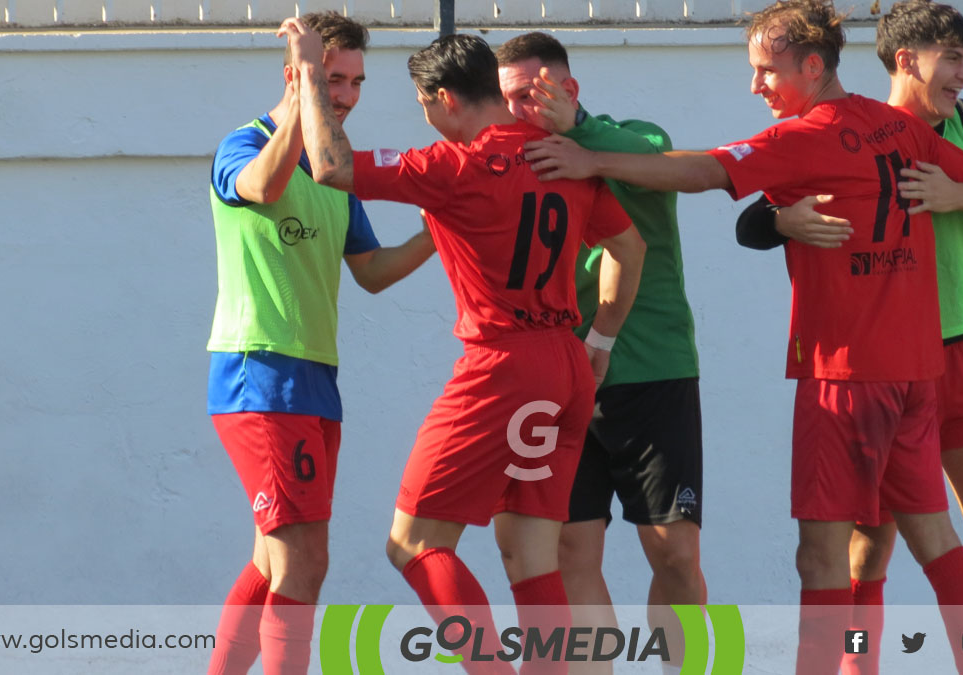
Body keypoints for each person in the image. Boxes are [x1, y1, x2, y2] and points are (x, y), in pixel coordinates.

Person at [523, 1, 963, 672]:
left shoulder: (804, 137)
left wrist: (587, 159)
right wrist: (789, 220)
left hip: (845, 378)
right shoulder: (895, 124)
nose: (756, 86)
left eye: (765, 70)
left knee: (822, 557)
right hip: (916, 374)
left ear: (812, 66)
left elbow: (702, 171)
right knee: (935, 537)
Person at [279, 20, 646, 674]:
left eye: (426, 109)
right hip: (565, 363)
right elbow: (628, 247)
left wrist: (308, 73)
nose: (427, 122)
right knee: (530, 554)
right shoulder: (554, 153)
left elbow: (330, 165)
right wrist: (603, 335)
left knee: (412, 542)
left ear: (446, 99)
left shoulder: (455, 164)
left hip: (502, 365)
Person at [735, 2, 963, 673]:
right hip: (880, 370)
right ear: (906, 60)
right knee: (868, 551)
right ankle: (859, 664)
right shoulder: (847, 128)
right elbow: (751, 220)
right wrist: (782, 224)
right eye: (954, 58)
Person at [205, 12, 436, 675]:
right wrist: (305, 89)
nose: (346, 96)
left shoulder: (336, 174)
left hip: (315, 383)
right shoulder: (242, 146)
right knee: (305, 560)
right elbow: (262, 187)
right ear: (297, 74)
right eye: (332, 79)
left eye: (356, 83)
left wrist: (439, 228)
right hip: (259, 374)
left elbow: (372, 272)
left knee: (272, 561)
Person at [496, 32, 704, 675]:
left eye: (532, 94)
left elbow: (660, 156)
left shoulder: (630, 138)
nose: (520, 111)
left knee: (674, 554)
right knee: (567, 551)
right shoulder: (511, 160)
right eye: (509, 99)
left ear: (569, 89)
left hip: (652, 373)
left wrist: (580, 141)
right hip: (556, 381)